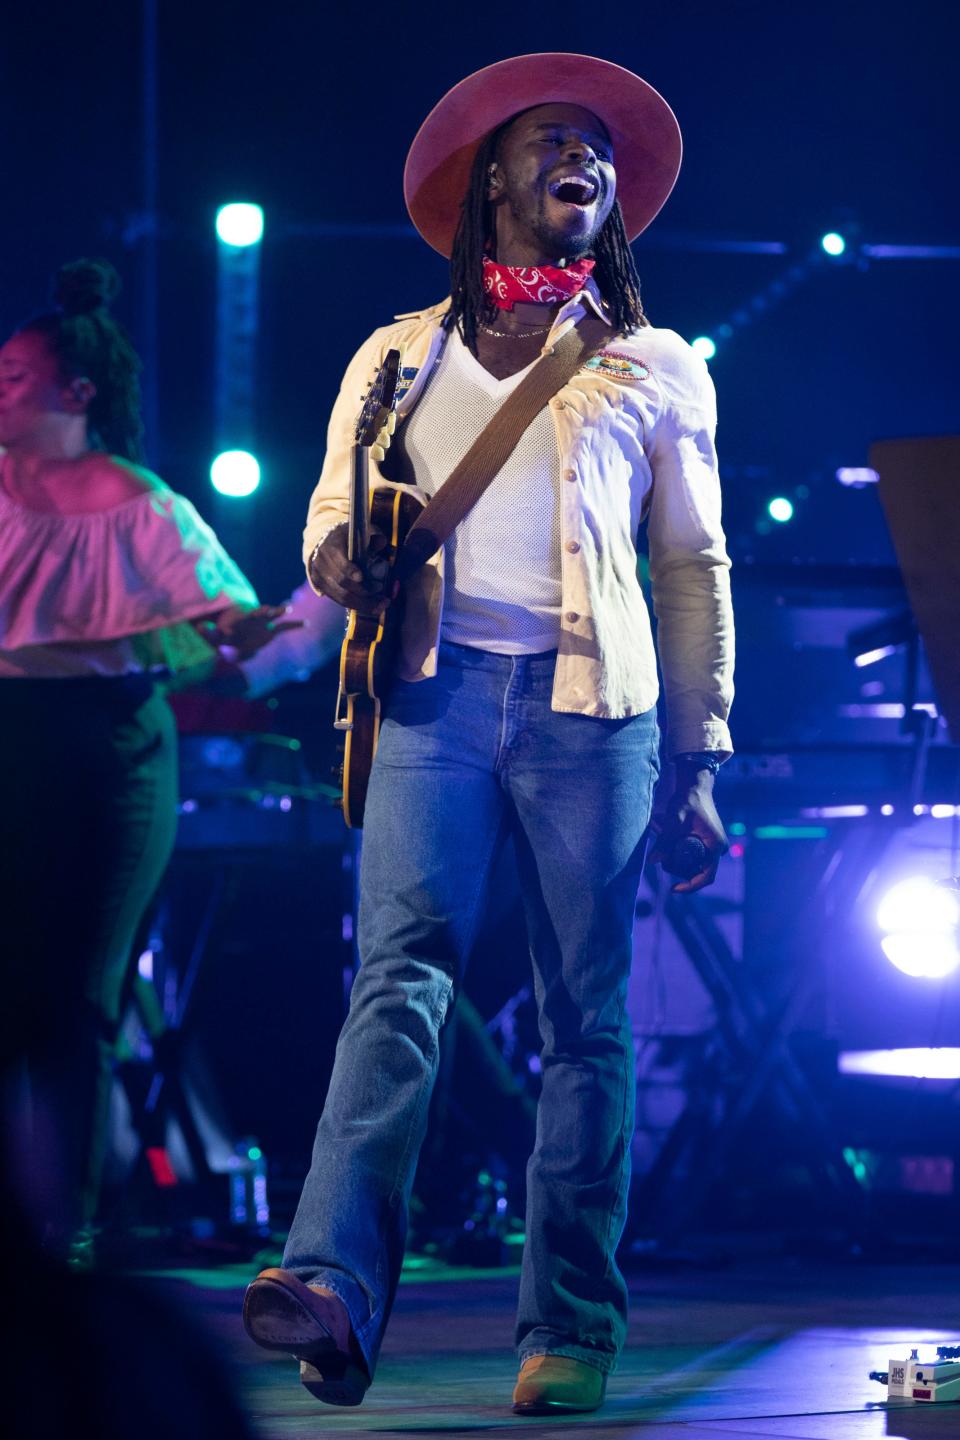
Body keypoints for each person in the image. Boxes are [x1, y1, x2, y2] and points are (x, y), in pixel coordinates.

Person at [243, 53, 734, 1415]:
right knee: (395, 984)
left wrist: (698, 760)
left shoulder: (654, 363)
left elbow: (694, 568)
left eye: (604, 150)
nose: (588, 159)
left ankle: (567, 1327)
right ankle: (333, 1289)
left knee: (587, 1019)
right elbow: (326, 532)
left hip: (599, 719)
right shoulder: (398, 355)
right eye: (555, 141)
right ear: (492, 182)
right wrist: (344, 564)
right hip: (432, 700)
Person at [0, 257, 295, 1266]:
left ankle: (64, 1237)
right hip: (9, 742)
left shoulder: (140, 502)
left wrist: (271, 625)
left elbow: (234, 622)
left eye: (13, 379)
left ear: (75, 395)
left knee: (81, 994)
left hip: (110, 753)